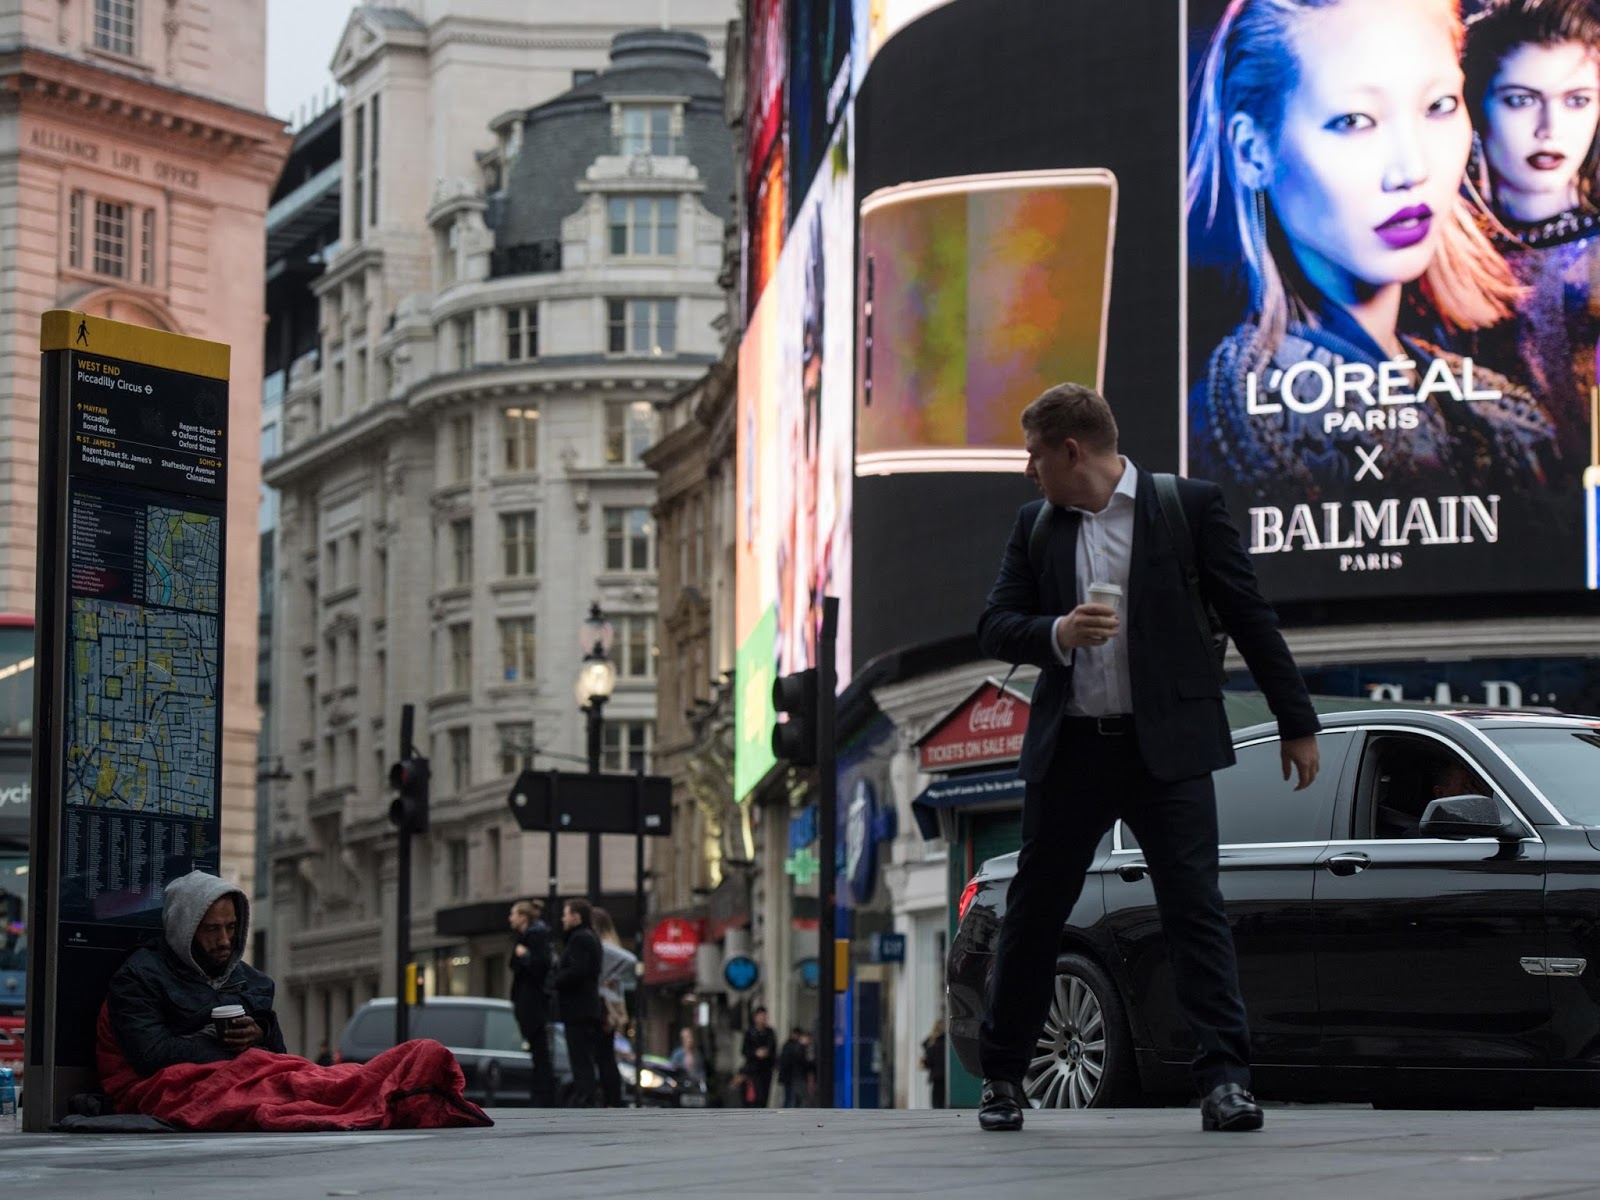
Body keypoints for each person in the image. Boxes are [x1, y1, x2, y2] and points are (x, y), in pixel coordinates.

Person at [974, 383, 1322, 1135]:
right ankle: (1002, 1078)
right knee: (1034, 914)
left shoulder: (1187, 507)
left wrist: (1297, 722)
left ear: (1072, 451)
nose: (1028, 470)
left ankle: (1225, 1083)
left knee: (1195, 912)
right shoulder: (1037, 526)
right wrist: (1058, 632)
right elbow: (995, 625)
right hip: (1073, 751)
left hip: (1169, 750)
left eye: (1034, 455)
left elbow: (1248, 614)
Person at [1186, 0, 1557, 515]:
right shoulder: (1248, 419)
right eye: (1355, 120)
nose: (1412, 168)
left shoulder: (1497, 408)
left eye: (1439, 106)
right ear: (1253, 150)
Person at [1464, 0, 1600, 454]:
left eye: (1577, 100)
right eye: (1521, 100)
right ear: (1476, 106)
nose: (1550, 128)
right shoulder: (1434, 257)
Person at [106, 870, 287, 1073]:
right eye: (212, 929)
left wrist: (261, 1031)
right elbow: (150, 1055)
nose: (224, 941)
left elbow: (281, 1057)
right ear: (185, 930)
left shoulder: (253, 981)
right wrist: (223, 1045)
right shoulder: (140, 977)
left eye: (231, 927)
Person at [551, 898, 606, 1107]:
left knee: (580, 1057)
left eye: (566, 914)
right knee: (583, 1056)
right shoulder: (588, 937)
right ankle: (586, 1096)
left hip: (578, 1009)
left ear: (576, 917)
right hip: (584, 1008)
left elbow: (577, 970)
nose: (562, 919)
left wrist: (555, 980)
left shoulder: (580, 939)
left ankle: (586, 1097)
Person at [508, 898, 556, 1106]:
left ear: (523, 917)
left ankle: (543, 1094)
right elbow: (513, 964)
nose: (510, 918)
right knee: (538, 1049)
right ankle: (541, 1092)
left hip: (533, 1001)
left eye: (513, 914)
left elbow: (539, 966)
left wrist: (525, 956)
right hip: (528, 999)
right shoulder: (524, 937)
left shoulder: (535, 936)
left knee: (540, 1049)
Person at [590, 907, 638, 1107]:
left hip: (605, 1007)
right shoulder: (609, 946)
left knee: (604, 1057)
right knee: (606, 1056)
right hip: (609, 1007)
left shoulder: (603, 948)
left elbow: (630, 961)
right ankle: (612, 1098)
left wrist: (603, 980)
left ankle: (612, 1099)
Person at [739, 1006, 777, 1107]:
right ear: (755, 1017)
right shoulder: (750, 1033)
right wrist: (755, 1053)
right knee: (753, 1098)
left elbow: (773, 1050)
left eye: (764, 1016)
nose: (763, 1019)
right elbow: (744, 1051)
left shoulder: (770, 1033)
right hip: (753, 1071)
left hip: (766, 1070)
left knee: (764, 1098)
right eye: (760, 1016)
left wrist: (767, 1053)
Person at [777, 1026, 807, 1107]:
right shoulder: (790, 1046)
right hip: (790, 1077)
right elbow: (792, 1060)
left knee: (792, 1098)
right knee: (790, 1098)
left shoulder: (791, 1045)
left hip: (793, 1077)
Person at [921, 1019, 946, 1109]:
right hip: (946, 1076)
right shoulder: (947, 1043)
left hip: (937, 1077)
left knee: (937, 1103)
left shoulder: (934, 1043)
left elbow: (928, 1061)